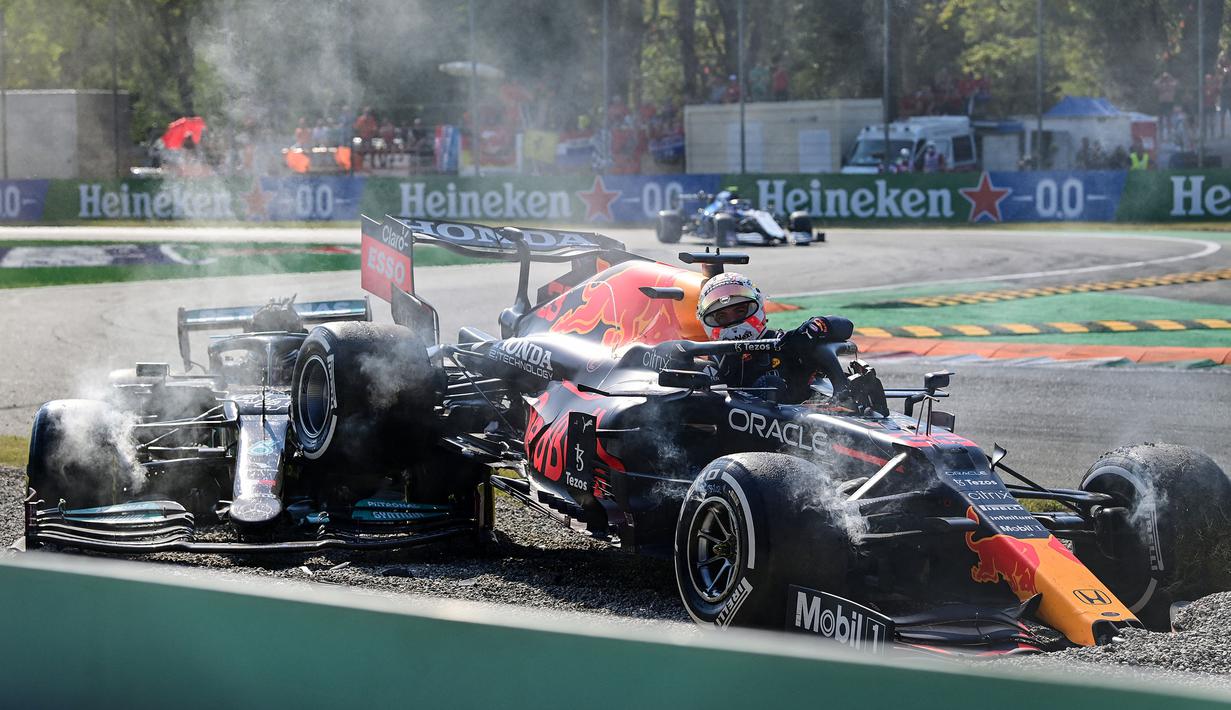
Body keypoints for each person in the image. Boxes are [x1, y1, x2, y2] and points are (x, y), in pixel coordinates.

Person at [696, 272, 851, 404]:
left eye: (740, 311)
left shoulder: (787, 343)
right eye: (722, 316)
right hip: (732, 435)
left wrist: (815, 326)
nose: (733, 321)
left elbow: (846, 326)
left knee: (771, 385)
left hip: (801, 430)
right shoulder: (713, 361)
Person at [1154, 71, 1178, 140]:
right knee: (1160, 119)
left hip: (1169, 103)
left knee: (1169, 119)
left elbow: (1176, 83)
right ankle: (1160, 134)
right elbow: (1155, 83)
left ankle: (1169, 134)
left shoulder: (1171, 84)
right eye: (1165, 78)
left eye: (1166, 78)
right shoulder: (1161, 84)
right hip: (1162, 103)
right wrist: (1160, 78)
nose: (1166, 79)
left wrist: (1171, 77)